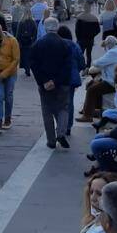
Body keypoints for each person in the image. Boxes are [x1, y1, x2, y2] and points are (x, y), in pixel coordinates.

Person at [29, 17, 72, 150]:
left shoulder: (38, 44)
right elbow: (67, 66)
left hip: (45, 84)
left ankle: (51, 140)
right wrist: (56, 80)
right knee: (63, 108)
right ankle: (61, 132)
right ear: (57, 27)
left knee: (47, 111)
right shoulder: (64, 44)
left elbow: (34, 65)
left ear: (45, 27)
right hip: (62, 83)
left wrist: (44, 81)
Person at [76, 36, 117, 123]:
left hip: (112, 82)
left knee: (92, 90)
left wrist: (96, 63)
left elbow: (98, 62)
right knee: (91, 84)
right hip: (114, 79)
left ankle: (87, 116)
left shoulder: (113, 53)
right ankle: (92, 109)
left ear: (108, 45)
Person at [0, 21, 20, 132]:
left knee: (8, 96)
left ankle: (8, 118)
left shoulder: (12, 41)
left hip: (10, 73)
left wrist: (4, 73)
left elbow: (16, 60)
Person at [57, 24, 86, 136]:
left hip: (59, 78)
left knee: (59, 102)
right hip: (72, 78)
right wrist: (76, 70)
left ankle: (60, 125)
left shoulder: (57, 44)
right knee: (69, 102)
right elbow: (82, 63)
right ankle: (68, 126)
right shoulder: (74, 45)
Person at [75, 2, 101, 68]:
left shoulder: (79, 17)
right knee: (89, 54)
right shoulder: (93, 18)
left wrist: (78, 38)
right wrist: (92, 35)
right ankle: (88, 67)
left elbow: (77, 30)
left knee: (80, 54)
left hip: (81, 39)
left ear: (84, 8)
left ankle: (82, 66)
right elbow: (98, 30)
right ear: (90, 9)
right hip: (90, 39)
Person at [17, 9, 37, 77]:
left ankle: (26, 69)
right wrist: (34, 40)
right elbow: (35, 32)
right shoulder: (32, 22)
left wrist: (18, 41)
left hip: (23, 42)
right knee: (30, 56)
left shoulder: (21, 22)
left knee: (24, 56)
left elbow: (18, 33)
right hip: (30, 41)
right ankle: (29, 68)